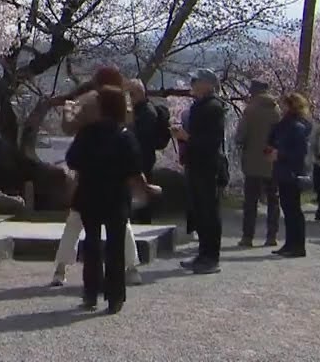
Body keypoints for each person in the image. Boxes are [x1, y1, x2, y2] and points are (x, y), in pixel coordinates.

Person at [66, 85, 162, 314]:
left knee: (91, 243)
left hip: (89, 193)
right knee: (115, 246)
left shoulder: (87, 133)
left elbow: (72, 160)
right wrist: (146, 188)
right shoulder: (124, 135)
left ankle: (91, 292)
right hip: (116, 196)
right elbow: (134, 169)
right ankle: (115, 296)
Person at [174, 68, 227, 275]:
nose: (192, 84)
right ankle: (202, 253)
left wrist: (187, 137)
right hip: (195, 163)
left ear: (208, 84)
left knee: (208, 212)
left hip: (207, 165)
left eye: (196, 81)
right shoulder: (200, 106)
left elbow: (212, 140)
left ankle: (211, 257)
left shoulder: (213, 108)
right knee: (199, 211)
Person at [234, 81, 280, 248]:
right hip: (271, 161)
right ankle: (271, 236)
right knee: (273, 199)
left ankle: (248, 237)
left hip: (252, 161)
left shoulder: (250, 110)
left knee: (251, 201)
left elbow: (240, 136)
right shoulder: (277, 110)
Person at [267, 93, 312, 258]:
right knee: (287, 208)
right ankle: (289, 243)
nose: (281, 107)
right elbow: (273, 140)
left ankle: (298, 245)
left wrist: (280, 154)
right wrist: (270, 150)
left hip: (292, 172)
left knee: (294, 210)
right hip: (282, 170)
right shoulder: (283, 125)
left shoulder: (297, 126)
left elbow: (300, 153)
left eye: (284, 104)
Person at [126, 79, 171, 225]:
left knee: (142, 196)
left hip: (143, 159)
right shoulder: (139, 110)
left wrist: (130, 125)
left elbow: (142, 138)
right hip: (139, 158)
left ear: (140, 93)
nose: (129, 98)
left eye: (132, 94)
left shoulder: (147, 112)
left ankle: (143, 223)